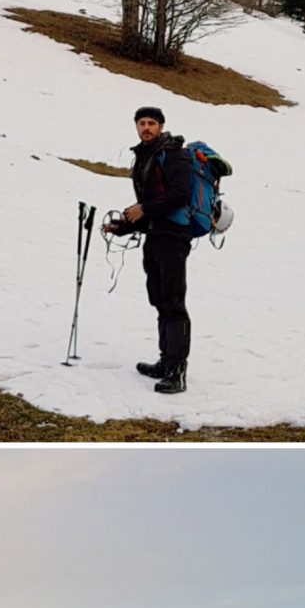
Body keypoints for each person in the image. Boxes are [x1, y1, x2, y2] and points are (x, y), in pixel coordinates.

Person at [104, 106, 194, 395]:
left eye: (151, 123)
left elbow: (181, 194)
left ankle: (177, 372)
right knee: (159, 298)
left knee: (173, 300)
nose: (146, 127)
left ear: (161, 125)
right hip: (155, 235)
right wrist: (124, 226)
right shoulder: (145, 156)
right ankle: (165, 361)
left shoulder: (175, 154)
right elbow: (150, 206)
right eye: (141, 123)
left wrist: (143, 208)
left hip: (174, 237)